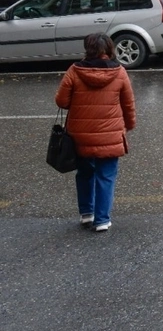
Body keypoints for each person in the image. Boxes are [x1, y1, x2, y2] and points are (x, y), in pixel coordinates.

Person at [54, 32, 136, 233]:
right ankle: (102, 220)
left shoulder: (74, 71)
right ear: (109, 49)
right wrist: (130, 124)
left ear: (88, 49)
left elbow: (62, 102)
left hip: (79, 135)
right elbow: (128, 104)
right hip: (110, 135)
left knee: (84, 173)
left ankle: (86, 213)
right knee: (106, 176)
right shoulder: (119, 71)